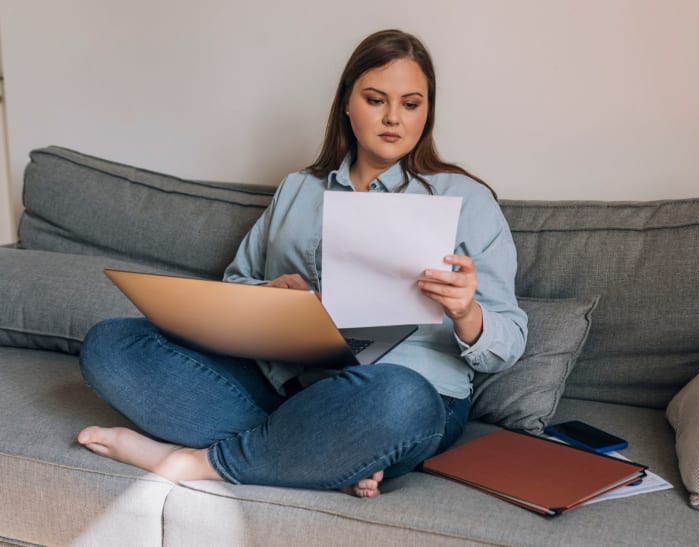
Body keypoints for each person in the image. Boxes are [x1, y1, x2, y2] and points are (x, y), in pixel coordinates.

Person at [75, 29, 528, 498]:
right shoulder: (298, 189)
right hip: (287, 385)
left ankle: (201, 462)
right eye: (376, 100)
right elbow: (235, 284)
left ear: (427, 111)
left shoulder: (466, 199)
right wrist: (267, 297)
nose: (394, 117)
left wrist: (465, 313)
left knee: (400, 399)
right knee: (111, 344)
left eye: (411, 104)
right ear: (347, 103)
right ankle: (319, 453)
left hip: (400, 394)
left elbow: (509, 342)